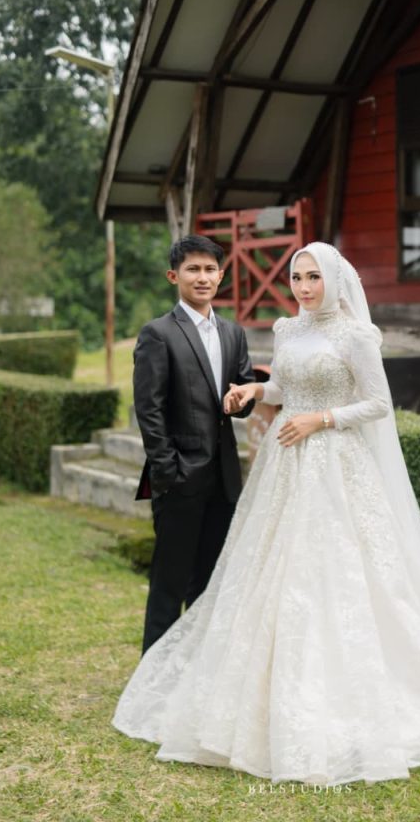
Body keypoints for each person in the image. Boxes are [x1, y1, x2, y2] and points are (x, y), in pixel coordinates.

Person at [114, 241, 420, 784]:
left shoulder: (357, 335)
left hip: (336, 465)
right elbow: (285, 387)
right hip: (285, 467)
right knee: (268, 575)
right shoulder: (288, 330)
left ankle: (346, 695)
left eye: (314, 277)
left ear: (335, 279)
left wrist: (322, 419)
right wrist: (258, 388)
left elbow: (377, 404)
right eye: (297, 277)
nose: (305, 287)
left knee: (340, 576)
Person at [132, 234, 255, 654]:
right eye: (193, 269)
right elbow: (149, 410)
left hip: (224, 481)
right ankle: (153, 679)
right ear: (174, 276)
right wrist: (168, 471)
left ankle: (193, 674)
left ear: (221, 276)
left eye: (209, 269)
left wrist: (242, 400)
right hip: (178, 480)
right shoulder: (158, 334)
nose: (202, 277)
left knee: (207, 587)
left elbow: (243, 394)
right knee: (169, 587)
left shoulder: (234, 333)